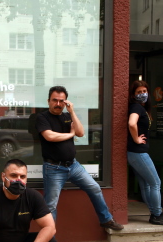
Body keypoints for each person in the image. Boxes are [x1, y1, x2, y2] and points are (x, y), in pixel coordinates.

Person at [35, 86, 124, 231]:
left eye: (61, 101)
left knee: (95, 188)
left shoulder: (67, 116)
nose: (58, 104)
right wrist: (71, 135)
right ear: (48, 101)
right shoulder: (42, 117)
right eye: (54, 100)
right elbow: (49, 136)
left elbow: (81, 133)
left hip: (73, 166)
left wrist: (72, 112)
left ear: (66, 102)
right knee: (51, 205)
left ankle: (106, 219)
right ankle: (49, 239)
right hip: (54, 168)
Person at [127, 81, 163, 226]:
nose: (143, 94)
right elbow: (131, 123)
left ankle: (154, 213)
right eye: (139, 92)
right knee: (156, 183)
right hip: (138, 152)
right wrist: (136, 138)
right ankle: (157, 214)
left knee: (146, 185)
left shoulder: (140, 108)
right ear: (133, 95)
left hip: (134, 153)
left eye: (144, 91)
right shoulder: (136, 107)